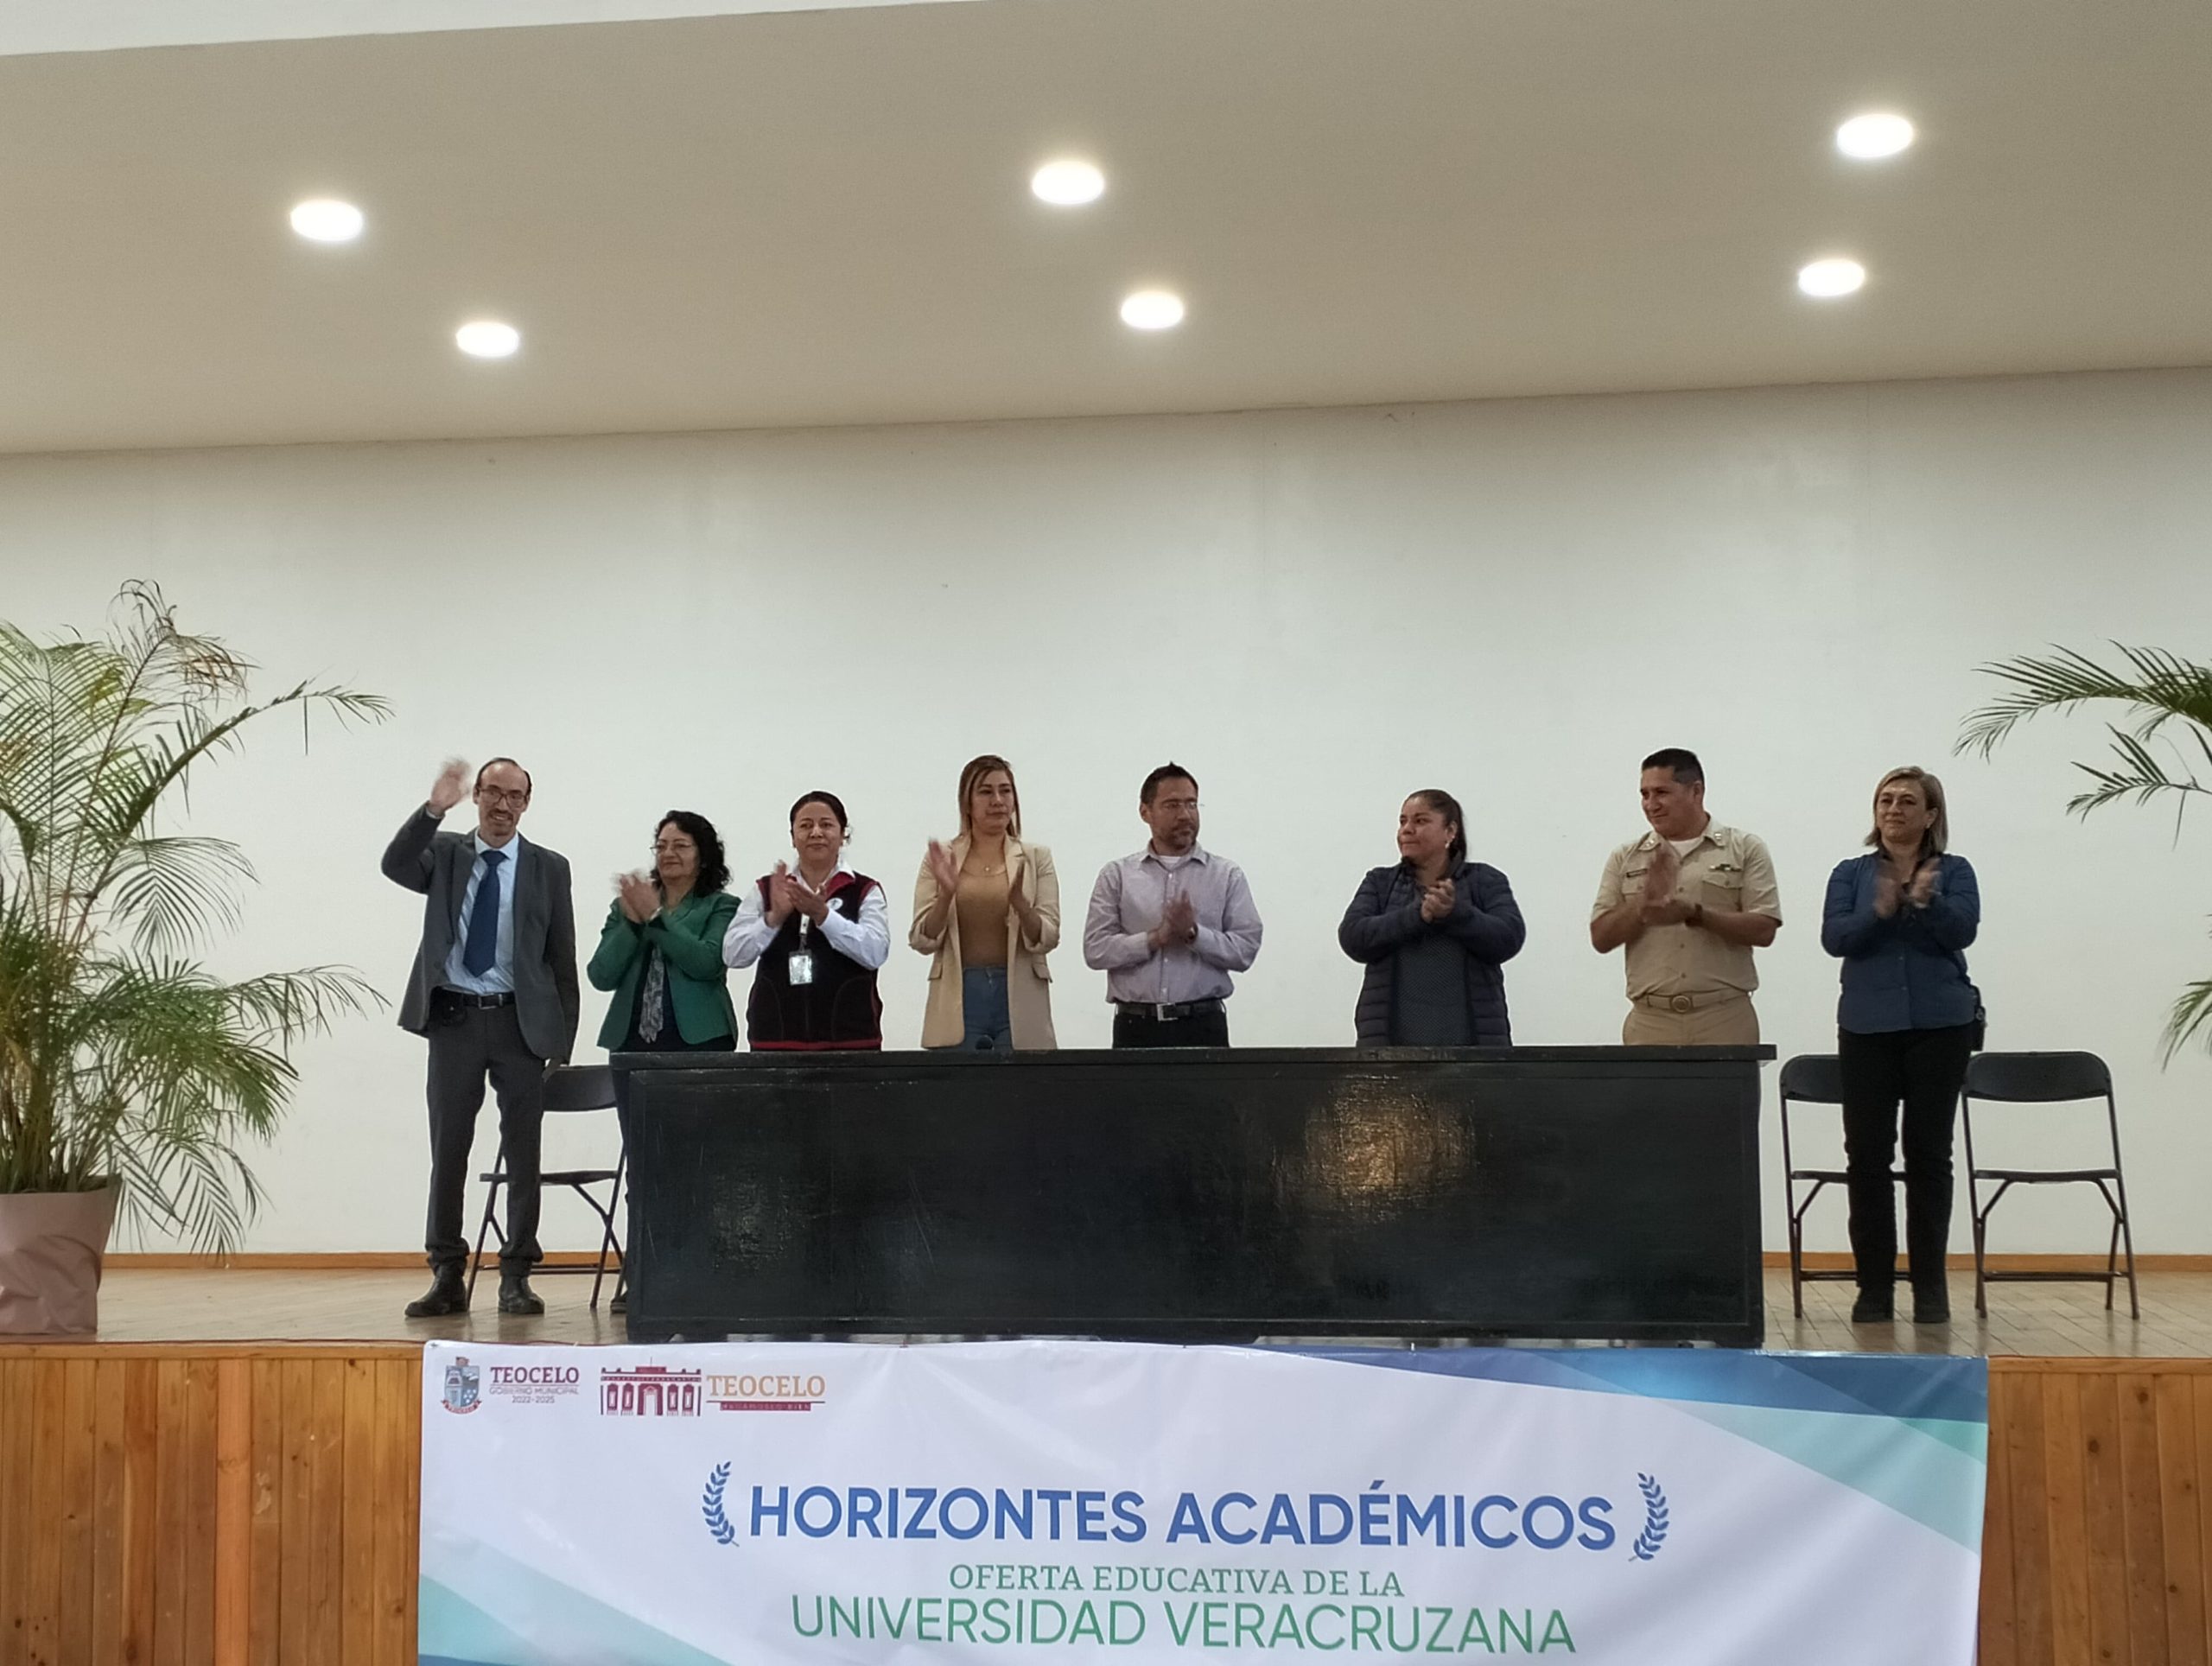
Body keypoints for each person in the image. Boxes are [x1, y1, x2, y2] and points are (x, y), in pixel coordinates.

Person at [381, 757, 577, 1319]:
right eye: (493, 792)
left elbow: (561, 957)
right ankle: (447, 1273)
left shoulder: (548, 867)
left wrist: (561, 1042)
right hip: (455, 1019)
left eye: (514, 796)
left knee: (523, 1152)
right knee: (449, 1150)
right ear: (477, 797)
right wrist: (432, 810)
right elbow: (395, 865)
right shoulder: (446, 853)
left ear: (527, 804)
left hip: (520, 1023)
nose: (502, 805)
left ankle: (516, 1274)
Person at [1821, 766, 1982, 1326]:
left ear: (1930, 814)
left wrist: (1927, 903)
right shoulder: (1850, 873)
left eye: (1907, 801)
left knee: (1929, 1155)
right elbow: (1835, 937)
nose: (1893, 809)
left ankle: (1930, 1288)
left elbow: (1963, 931)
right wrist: (1881, 910)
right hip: (1867, 1028)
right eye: (1885, 800)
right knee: (1867, 1156)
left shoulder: (1955, 871)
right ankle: (1874, 1289)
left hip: (1941, 1026)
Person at [1590, 748, 1781, 1045]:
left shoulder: (1745, 849)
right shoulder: (1625, 857)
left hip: (1724, 1017)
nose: (1651, 805)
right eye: (1644, 794)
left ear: (1696, 791)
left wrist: (1696, 914)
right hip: (1650, 1021)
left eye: (1661, 793)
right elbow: (1601, 939)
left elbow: (1764, 930)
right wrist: (1642, 904)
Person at [1082, 763, 1263, 1048]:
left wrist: (1194, 935)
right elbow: (1096, 950)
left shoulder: (1226, 875)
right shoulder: (1117, 875)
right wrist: (1155, 939)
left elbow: (1245, 950)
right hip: (1136, 1027)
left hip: (1203, 1025)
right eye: (1172, 805)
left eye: (1192, 804)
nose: (1185, 815)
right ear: (1145, 812)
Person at [1338, 790, 1526, 1046]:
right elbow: (1353, 937)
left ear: (1450, 831)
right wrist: (1417, 915)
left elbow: (1509, 937)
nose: (1407, 829)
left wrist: (1456, 914)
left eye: (1420, 821)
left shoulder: (1485, 880)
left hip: (1475, 1051)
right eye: (1403, 821)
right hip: (1390, 1051)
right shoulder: (1380, 882)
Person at [910, 754, 1059, 1049]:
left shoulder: (1036, 857)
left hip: (1018, 995)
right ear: (967, 803)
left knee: (1018, 1080)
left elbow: (1049, 936)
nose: (997, 801)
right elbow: (921, 939)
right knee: (962, 1080)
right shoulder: (942, 858)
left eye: (1005, 791)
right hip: (960, 994)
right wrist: (946, 896)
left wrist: (1022, 906)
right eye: (986, 792)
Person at [724, 792, 891, 1048]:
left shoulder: (865, 890)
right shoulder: (767, 889)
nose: (816, 832)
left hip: (851, 1041)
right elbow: (732, 955)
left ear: (843, 834)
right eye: (805, 825)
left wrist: (824, 916)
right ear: (793, 837)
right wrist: (773, 919)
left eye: (826, 824)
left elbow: (876, 952)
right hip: (774, 1040)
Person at [587, 810, 739, 1059]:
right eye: (661, 846)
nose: (668, 853)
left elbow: (707, 964)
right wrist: (632, 924)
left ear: (703, 857)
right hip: (630, 1042)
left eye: (680, 846)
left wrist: (656, 917)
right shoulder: (627, 905)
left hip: (701, 1038)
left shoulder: (722, 906)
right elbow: (601, 976)